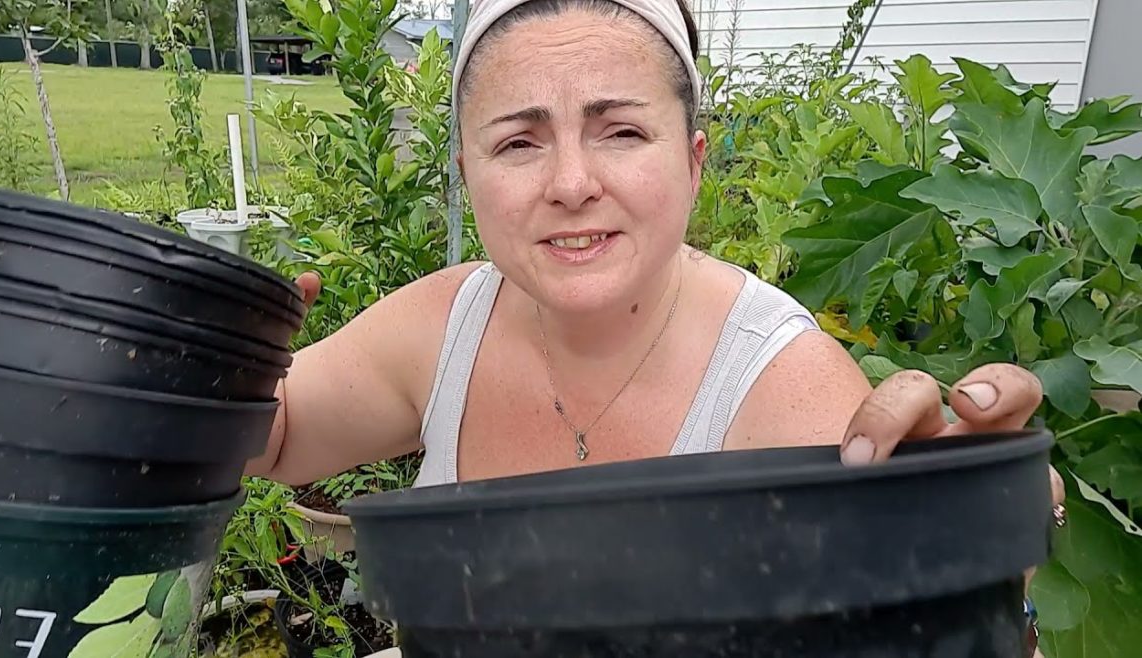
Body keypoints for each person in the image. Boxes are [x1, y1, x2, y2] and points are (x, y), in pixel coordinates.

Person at [246, 0, 1061, 652]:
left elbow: (901, 621)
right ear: (467, 174)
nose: (570, 183)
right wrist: (202, 344)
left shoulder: (781, 386)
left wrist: (976, 556)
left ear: (694, 161)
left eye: (623, 131)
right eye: (518, 142)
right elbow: (274, 436)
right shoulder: (447, 320)